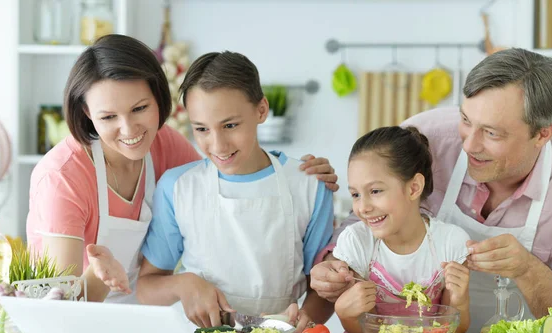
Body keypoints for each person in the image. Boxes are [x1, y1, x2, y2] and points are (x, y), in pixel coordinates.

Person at [26, 35, 338, 304]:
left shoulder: (165, 145)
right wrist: (98, 274)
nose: (129, 128)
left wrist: (299, 174)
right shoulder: (62, 177)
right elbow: (58, 305)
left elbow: (221, 175)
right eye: (108, 117)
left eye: (140, 109)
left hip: (148, 319)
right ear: (86, 112)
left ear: (159, 99)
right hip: (78, 326)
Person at [311, 48, 552, 333]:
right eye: (466, 120)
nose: (470, 145)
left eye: (492, 133)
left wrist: (527, 269)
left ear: (542, 134)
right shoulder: (427, 137)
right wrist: (333, 267)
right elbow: (361, 222)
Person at [128, 51, 335, 333]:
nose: (218, 145)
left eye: (230, 125)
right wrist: (183, 284)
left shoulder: (310, 185)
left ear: (261, 110)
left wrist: (307, 318)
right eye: (201, 129)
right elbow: (147, 287)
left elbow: (323, 288)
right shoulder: (177, 187)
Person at [332, 126, 470, 333]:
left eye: (375, 191)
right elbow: (362, 330)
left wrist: (459, 301)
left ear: (414, 188)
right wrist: (344, 313)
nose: (363, 207)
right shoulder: (357, 240)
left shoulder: (450, 242)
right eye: (356, 194)